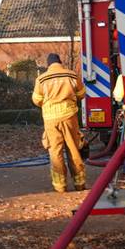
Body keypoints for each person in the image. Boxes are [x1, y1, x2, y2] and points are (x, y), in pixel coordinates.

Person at [32, 52, 86, 193]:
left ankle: (60, 186)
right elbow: (81, 94)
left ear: (48, 65)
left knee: (55, 152)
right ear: (60, 62)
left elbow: (37, 100)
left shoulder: (41, 79)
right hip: (69, 116)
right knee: (73, 149)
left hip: (51, 118)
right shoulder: (72, 75)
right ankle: (79, 184)